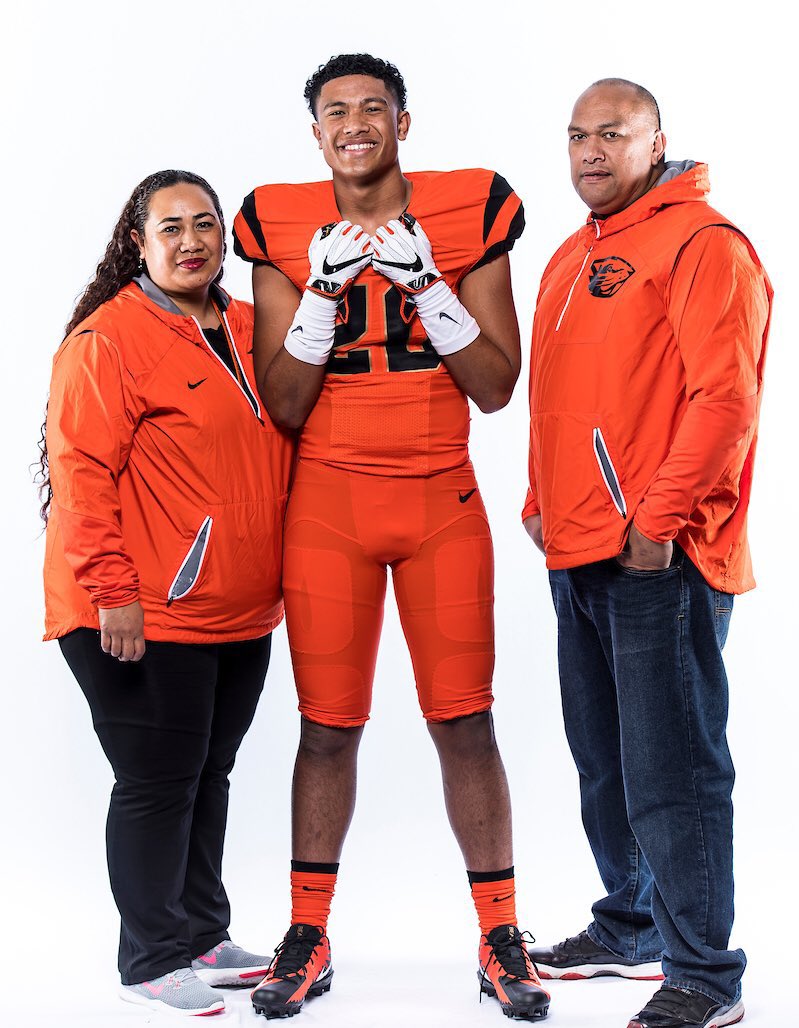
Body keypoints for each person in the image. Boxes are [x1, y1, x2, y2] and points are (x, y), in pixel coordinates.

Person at [233, 53, 550, 1021]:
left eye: (374, 107)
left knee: (464, 719)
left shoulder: (471, 204)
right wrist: (321, 297)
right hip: (326, 503)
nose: (355, 123)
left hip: (438, 498)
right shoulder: (277, 218)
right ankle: (307, 930)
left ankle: (500, 934)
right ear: (315, 131)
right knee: (326, 727)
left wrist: (428, 285)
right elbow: (285, 403)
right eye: (336, 110)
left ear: (402, 124)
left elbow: (495, 386)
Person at [523, 79, 772, 1028]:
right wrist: (540, 501)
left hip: (658, 560)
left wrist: (657, 522)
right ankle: (630, 923)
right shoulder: (571, 254)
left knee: (675, 772)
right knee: (604, 761)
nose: (589, 151)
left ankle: (704, 973)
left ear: (656, 142)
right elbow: (561, 397)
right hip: (578, 550)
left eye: (611, 134)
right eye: (576, 135)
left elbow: (725, 400)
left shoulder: (703, 244)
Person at [41, 170, 294, 1017]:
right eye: (171, 227)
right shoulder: (109, 339)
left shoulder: (252, 326)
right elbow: (80, 475)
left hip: (238, 606)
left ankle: (201, 934)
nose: (192, 241)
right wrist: (113, 591)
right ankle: (150, 958)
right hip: (139, 608)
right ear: (138, 244)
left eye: (205, 224)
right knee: (156, 781)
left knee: (207, 773)